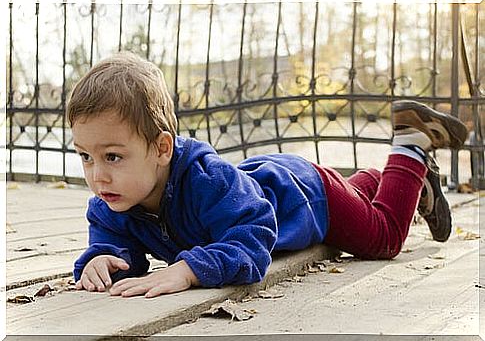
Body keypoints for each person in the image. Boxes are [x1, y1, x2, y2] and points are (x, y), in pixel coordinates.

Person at [68, 52, 468, 298]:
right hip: (276, 185)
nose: (97, 175)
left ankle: (411, 145)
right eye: (86, 156)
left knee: (382, 237)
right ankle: (393, 182)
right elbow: (116, 246)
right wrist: (103, 259)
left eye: (113, 157)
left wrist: (188, 270)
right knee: (364, 204)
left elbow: (255, 238)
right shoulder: (109, 206)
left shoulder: (208, 181)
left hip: (308, 197)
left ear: (161, 148)